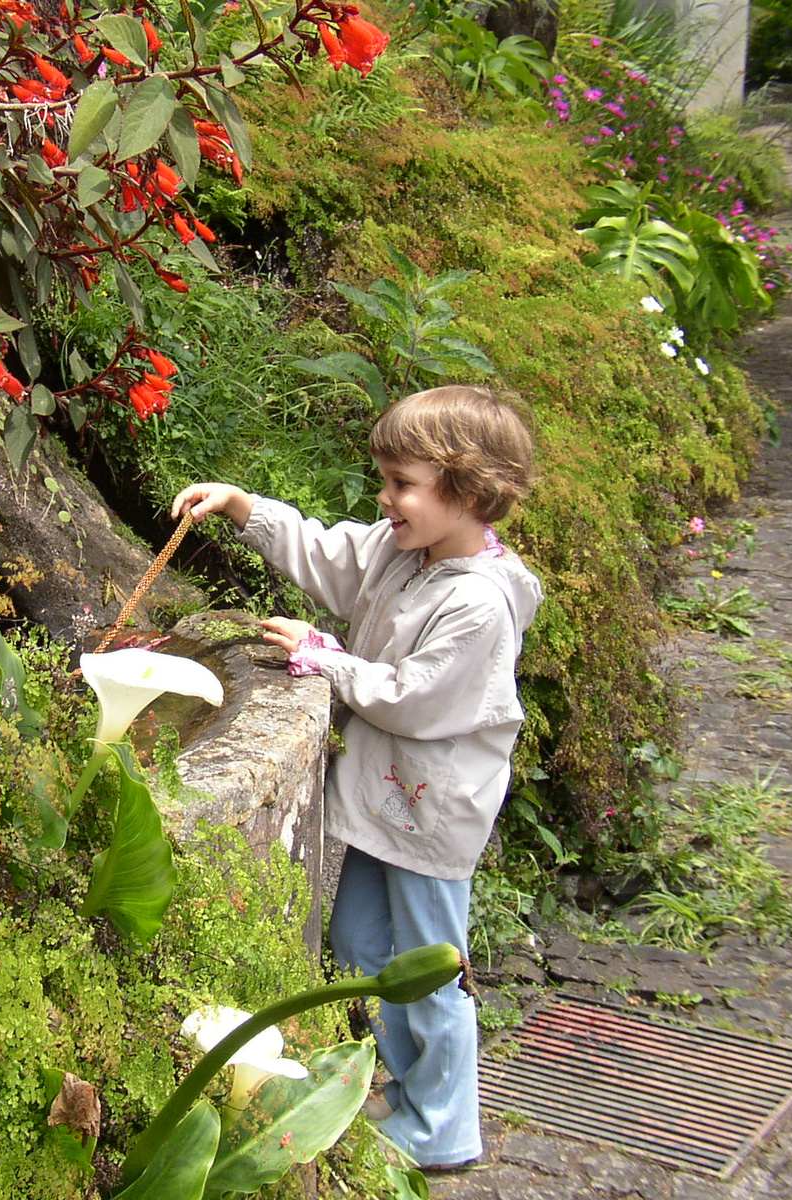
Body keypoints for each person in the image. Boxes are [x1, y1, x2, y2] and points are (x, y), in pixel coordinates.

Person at [170, 385, 543, 1171]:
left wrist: (324, 657)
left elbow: (414, 699)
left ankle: (445, 1127)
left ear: (470, 493)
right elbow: (328, 552)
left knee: (431, 967)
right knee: (360, 941)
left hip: (432, 813)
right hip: (387, 799)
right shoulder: (404, 550)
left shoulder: (478, 606)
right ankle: (405, 1088)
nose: (385, 497)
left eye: (403, 483)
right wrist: (244, 508)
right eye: (387, 479)